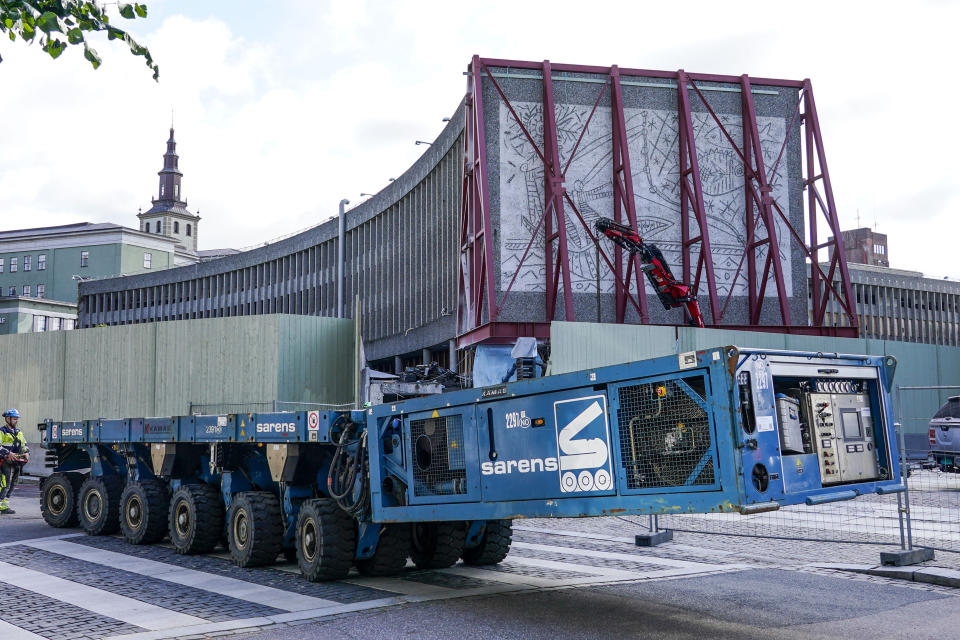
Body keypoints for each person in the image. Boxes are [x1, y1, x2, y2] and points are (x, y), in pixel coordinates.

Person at [0, 408, 29, 515]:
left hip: (17, 462)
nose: (16, 421)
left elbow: (24, 445)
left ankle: (4, 506)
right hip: (4, 461)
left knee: (13, 484)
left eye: (17, 419)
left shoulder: (19, 432)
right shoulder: (2, 432)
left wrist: (27, 453)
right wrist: (8, 453)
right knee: (4, 483)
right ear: (8, 419)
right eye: (15, 419)